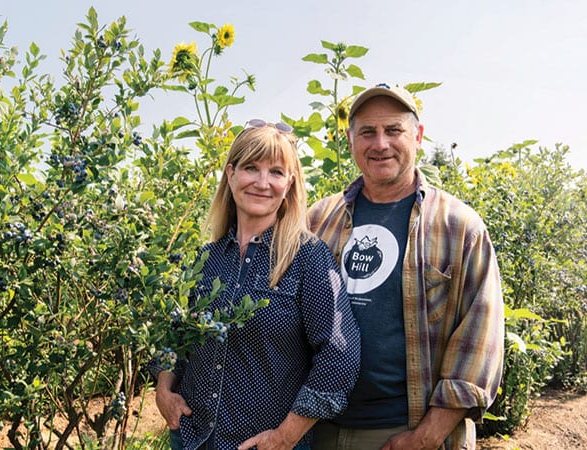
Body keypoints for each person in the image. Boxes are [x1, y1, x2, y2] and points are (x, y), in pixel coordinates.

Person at [308, 84, 505, 450]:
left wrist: (425, 437)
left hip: (405, 431)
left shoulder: (458, 226)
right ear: (351, 141)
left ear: (417, 136)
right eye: (367, 132)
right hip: (317, 428)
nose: (380, 144)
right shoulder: (318, 220)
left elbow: (480, 341)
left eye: (393, 130)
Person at [152, 119, 361, 450]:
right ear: (231, 174)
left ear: (290, 184)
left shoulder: (307, 257)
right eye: (251, 168)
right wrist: (163, 391)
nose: (263, 183)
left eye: (277, 172)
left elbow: (339, 357)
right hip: (193, 440)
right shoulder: (206, 259)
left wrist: (286, 436)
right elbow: (176, 336)